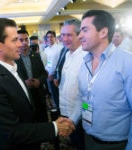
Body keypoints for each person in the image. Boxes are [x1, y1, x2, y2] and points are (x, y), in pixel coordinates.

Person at [0, 18, 75, 150]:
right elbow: (11, 131)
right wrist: (54, 127)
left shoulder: (11, 67)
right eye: (14, 40)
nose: (21, 44)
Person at [66, 10, 132, 150]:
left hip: (116, 144)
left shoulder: (127, 63)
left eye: (85, 30)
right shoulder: (85, 62)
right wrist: (72, 119)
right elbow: (82, 98)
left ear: (102, 32)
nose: (80, 35)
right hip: (88, 137)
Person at [59, 18, 87, 150]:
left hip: (80, 114)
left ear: (79, 35)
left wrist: (76, 116)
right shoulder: (67, 53)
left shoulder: (86, 56)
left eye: (69, 35)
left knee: (83, 143)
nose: (64, 38)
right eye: (62, 35)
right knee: (75, 142)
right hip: (66, 110)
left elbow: (86, 93)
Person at [16, 29, 48, 123]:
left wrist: (39, 81)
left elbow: (44, 73)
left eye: (26, 39)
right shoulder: (13, 59)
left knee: (42, 120)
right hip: (24, 97)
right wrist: (24, 83)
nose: (24, 42)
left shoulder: (36, 56)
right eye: (21, 40)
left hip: (38, 94)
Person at [44, 30, 63, 110]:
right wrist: (48, 73)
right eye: (48, 37)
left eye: (51, 36)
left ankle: (61, 110)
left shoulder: (59, 48)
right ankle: (57, 109)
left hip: (57, 76)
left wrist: (53, 74)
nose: (50, 38)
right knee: (53, 94)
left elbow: (59, 63)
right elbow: (48, 63)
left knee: (59, 94)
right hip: (48, 75)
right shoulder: (46, 49)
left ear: (55, 38)